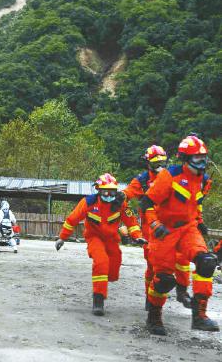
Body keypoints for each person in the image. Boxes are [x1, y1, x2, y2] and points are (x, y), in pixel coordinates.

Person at [140, 135, 219, 335]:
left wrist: (200, 221)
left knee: (207, 262)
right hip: (164, 231)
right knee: (164, 279)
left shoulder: (204, 180)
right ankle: (154, 317)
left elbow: (195, 203)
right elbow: (147, 202)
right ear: (186, 159)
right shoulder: (169, 176)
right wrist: (154, 223)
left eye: (204, 158)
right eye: (198, 158)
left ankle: (199, 315)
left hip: (188, 229)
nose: (202, 162)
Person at [56, 173, 144, 316]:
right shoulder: (88, 203)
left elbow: (132, 223)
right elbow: (72, 220)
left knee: (113, 270)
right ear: (98, 190)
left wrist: (137, 237)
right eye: (105, 192)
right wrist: (62, 238)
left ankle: (104, 279)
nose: (109, 195)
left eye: (112, 192)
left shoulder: (120, 204)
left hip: (112, 239)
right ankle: (98, 300)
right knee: (101, 262)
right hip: (94, 237)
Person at [124, 144, 193, 309]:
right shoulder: (141, 180)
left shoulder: (173, 176)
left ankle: (182, 291)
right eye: (156, 164)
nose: (160, 167)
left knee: (182, 259)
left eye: (163, 163)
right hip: (151, 230)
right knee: (153, 266)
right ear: (148, 164)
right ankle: (150, 297)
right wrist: (121, 201)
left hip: (172, 227)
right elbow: (126, 194)